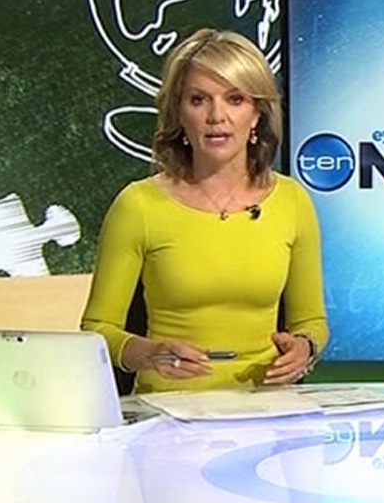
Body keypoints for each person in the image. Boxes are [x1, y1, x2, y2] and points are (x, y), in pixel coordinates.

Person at [81, 28, 328, 393]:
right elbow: (97, 330)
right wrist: (149, 353)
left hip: (267, 406)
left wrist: (303, 348)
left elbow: (312, 320)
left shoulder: (292, 201)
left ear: (257, 114)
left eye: (235, 99)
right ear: (179, 113)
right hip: (169, 407)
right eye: (199, 100)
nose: (217, 116)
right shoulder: (138, 205)